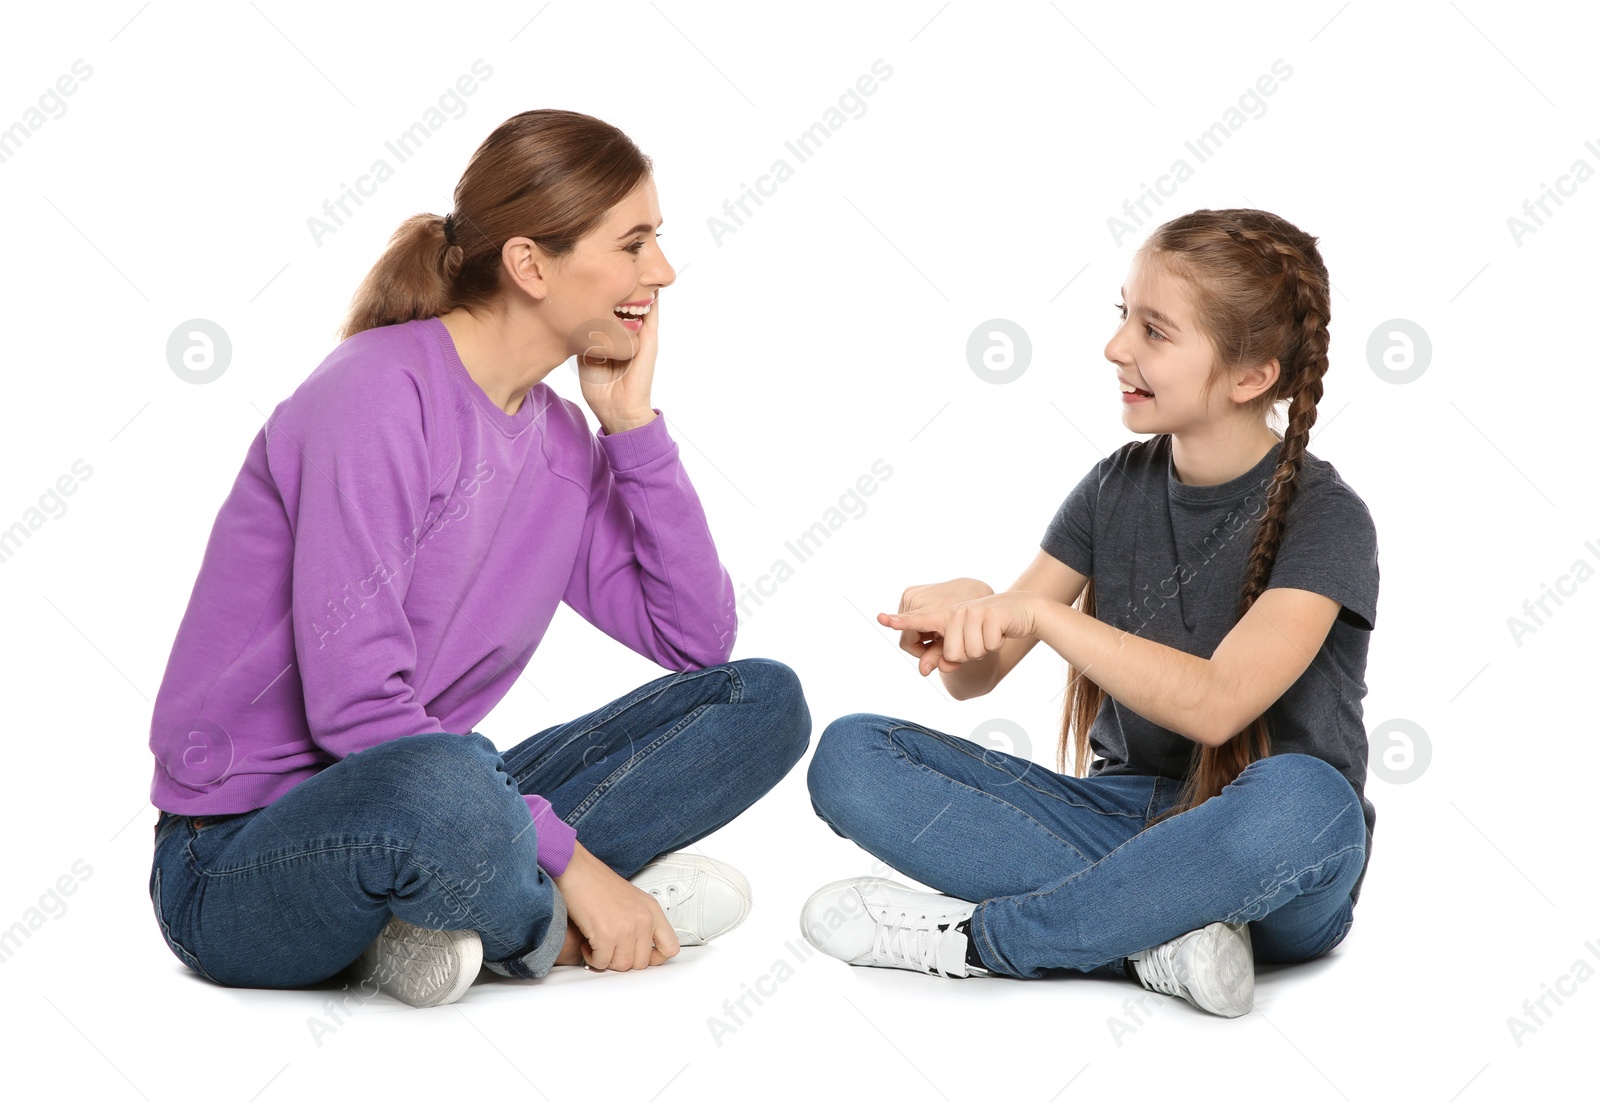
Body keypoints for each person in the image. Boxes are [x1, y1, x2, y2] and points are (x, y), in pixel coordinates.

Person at [147, 109, 810, 1008]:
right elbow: (354, 712)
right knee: (443, 782)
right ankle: (556, 927)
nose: (662, 272)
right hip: (234, 858)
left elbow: (695, 638)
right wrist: (576, 862)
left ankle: (443, 917)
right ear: (532, 264)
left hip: (442, 797)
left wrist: (631, 430)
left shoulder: (562, 441)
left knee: (763, 699)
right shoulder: (376, 394)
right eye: (634, 244)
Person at [800, 208, 1378, 1018]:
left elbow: (1219, 704)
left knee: (1309, 800)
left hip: (1268, 861)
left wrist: (1039, 617)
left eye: (1156, 330)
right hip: (1121, 819)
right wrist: (970, 619)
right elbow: (978, 678)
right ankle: (1155, 939)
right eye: (1122, 317)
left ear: (1251, 377)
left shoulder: (1327, 515)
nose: (1117, 349)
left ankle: (987, 942)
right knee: (851, 755)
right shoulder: (1116, 485)